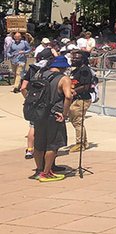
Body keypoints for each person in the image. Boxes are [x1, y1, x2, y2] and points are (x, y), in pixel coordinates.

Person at [29, 54, 73, 182]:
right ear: (63, 67)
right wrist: (64, 114)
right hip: (54, 114)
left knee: (39, 143)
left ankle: (39, 170)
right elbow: (68, 97)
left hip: (39, 114)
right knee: (52, 144)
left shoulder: (40, 75)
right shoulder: (64, 79)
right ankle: (46, 172)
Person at [67, 50, 97, 151]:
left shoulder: (85, 70)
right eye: (73, 58)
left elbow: (86, 86)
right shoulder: (76, 70)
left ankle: (80, 143)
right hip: (76, 99)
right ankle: (84, 142)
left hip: (82, 99)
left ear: (83, 60)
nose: (73, 59)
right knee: (76, 121)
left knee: (77, 121)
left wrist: (73, 91)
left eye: (77, 58)